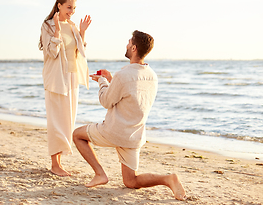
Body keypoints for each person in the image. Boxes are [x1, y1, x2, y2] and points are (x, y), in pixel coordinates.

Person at [73, 30, 186, 200]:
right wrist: (112, 80)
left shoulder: (123, 75)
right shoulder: (152, 76)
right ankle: (168, 179)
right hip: (134, 135)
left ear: (134, 48)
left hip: (114, 131)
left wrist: (103, 81)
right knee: (130, 181)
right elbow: (132, 96)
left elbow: (106, 101)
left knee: (77, 135)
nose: (126, 45)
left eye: (128, 42)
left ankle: (100, 174)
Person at [39, 0, 92, 176]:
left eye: (74, 8)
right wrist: (56, 32)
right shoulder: (47, 25)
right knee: (56, 121)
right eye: (69, 7)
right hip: (56, 78)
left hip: (72, 77)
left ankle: (59, 163)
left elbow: (79, 51)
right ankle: (55, 164)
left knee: (67, 120)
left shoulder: (72, 25)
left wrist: (82, 32)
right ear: (59, 5)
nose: (72, 11)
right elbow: (51, 53)